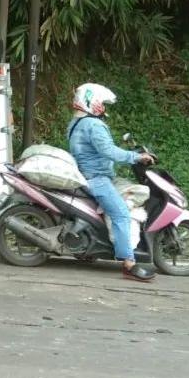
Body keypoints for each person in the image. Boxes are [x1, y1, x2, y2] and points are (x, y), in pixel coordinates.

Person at [66, 83, 156, 281]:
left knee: (130, 193)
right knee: (122, 214)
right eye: (100, 103)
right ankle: (129, 264)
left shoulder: (76, 122)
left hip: (94, 175)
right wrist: (136, 157)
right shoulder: (93, 124)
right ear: (91, 102)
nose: (103, 107)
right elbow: (109, 151)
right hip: (96, 179)